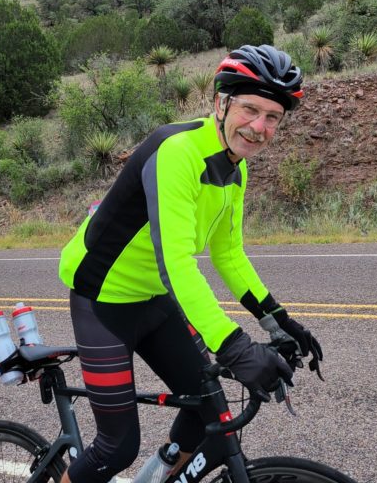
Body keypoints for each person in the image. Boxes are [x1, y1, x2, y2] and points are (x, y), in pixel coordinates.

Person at [57, 44, 324, 483]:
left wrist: (278, 321)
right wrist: (235, 345)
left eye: (272, 117)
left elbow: (228, 254)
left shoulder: (236, 166)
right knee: (116, 446)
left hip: (153, 298)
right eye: (250, 110)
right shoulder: (177, 151)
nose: (259, 127)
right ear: (221, 103)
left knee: (207, 407)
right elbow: (177, 263)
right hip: (102, 299)